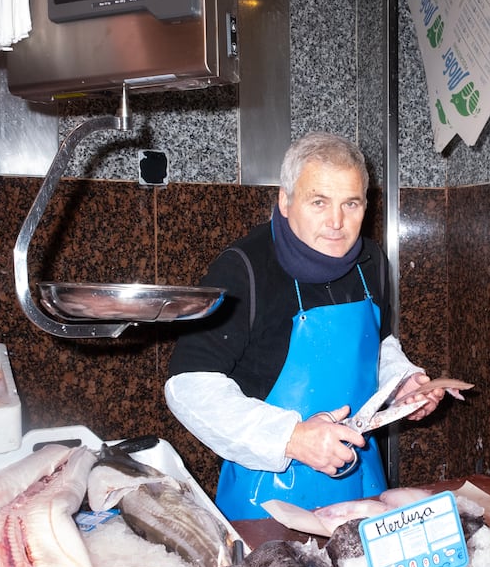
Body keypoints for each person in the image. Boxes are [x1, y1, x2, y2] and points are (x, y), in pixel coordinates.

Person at [165, 131, 447, 521]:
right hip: (268, 501)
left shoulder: (371, 261)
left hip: (364, 484)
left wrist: (402, 385)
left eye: (351, 204)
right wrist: (293, 438)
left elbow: (376, 346)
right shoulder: (243, 269)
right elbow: (188, 386)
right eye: (319, 202)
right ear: (285, 200)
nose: (336, 222)